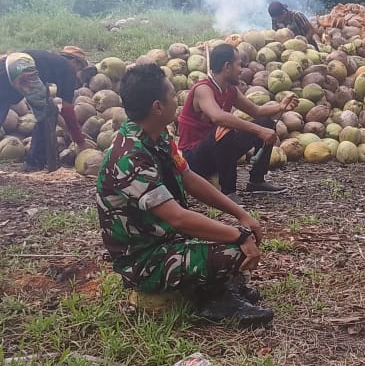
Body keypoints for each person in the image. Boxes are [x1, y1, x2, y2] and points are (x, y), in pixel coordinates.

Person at [96, 63, 272, 326]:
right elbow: (177, 217)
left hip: (165, 238)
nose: (177, 100)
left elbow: (189, 178)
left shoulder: (157, 138)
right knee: (235, 250)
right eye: (171, 95)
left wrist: (241, 215)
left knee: (239, 239)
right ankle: (214, 301)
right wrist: (239, 235)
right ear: (157, 107)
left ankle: (222, 286)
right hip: (143, 259)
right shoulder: (130, 157)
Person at [177, 42, 298, 202]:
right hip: (195, 158)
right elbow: (218, 117)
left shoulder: (230, 90)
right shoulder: (203, 89)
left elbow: (256, 111)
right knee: (225, 128)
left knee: (265, 123)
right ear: (227, 66)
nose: (241, 69)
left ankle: (256, 181)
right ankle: (228, 192)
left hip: (219, 153)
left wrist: (280, 106)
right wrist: (257, 131)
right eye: (239, 65)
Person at [0, 47, 89, 186]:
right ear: (74, 61)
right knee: (48, 113)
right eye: (80, 67)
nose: (78, 72)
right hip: (22, 69)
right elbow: (67, 111)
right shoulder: (67, 68)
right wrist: (80, 142)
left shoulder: (46, 59)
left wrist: (67, 129)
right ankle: (36, 162)